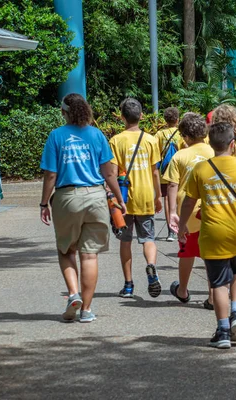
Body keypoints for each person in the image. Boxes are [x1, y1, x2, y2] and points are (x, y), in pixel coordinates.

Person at [40, 93, 126, 323]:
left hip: (67, 197)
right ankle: (86, 310)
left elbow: (51, 175)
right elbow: (109, 173)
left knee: (67, 250)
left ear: (64, 112)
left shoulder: (56, 136)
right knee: (89, 256)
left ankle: (73, 294)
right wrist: (120, 199)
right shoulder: (97, 135)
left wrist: (43, 203)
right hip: (96, 197)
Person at [177, 122, 236, 348]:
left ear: (210, 143)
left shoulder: (201, 169)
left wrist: (183, 225)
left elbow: (188, 202)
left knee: (217, 282)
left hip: (212, 232)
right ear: (233, 144)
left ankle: (223, 330)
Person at [109, 98, 162, 299]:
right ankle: (151, 266)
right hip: (146, 196)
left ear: (122, 117)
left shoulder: (116, 141)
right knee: (148, 239)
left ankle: (129, 285)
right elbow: (155, 172)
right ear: (141, 116)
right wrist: (158, 197)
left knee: (125, 241)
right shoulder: (151, 140)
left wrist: (112, 198)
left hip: (123, 199)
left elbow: (112, 173)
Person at [166, 113, 215, 307]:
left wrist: (172, 212)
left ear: (185, 136)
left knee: (186, 252)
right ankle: (213, 296)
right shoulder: (214, 152)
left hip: (188, 211)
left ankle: (183, 290)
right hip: (211, 208)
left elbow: (172, 185)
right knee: (210, 255)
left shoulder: (179, 156)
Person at [155, 107, 182, 242]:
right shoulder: (182, 134)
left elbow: (156, 153)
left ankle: (171, 230)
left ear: (165, 120)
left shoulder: (159, 134)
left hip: (165, 172)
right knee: (181, 197)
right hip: (181, 170)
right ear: (177, 119)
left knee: (167, 198)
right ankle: (183, 227)